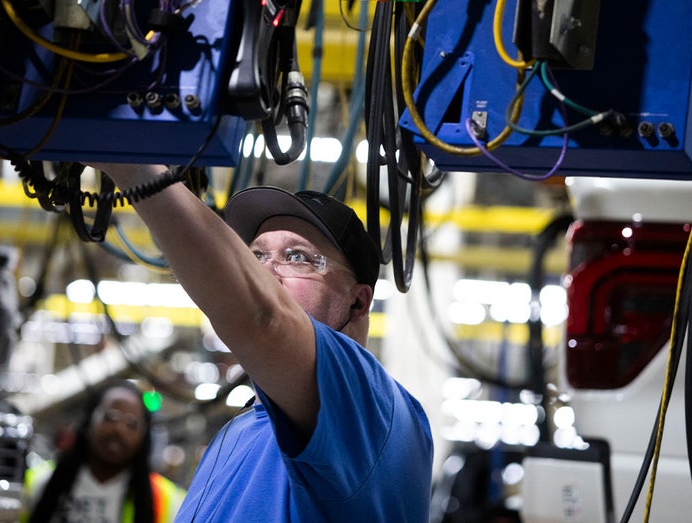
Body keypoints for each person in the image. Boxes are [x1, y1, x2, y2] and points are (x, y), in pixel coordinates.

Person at [94, 163, 434, 522]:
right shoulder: (235, 434)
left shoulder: (370, 410)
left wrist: (133, 169)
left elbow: (265, 320)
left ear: (358, 302)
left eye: (297, 257)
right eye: (256, 256)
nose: (265, 272)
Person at [21, 380, 185, 523]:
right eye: (110, 417)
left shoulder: (168, 501)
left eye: (132, 423)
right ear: (89, 421)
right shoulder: (37, 483)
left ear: (144, 437)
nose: (119, 429)